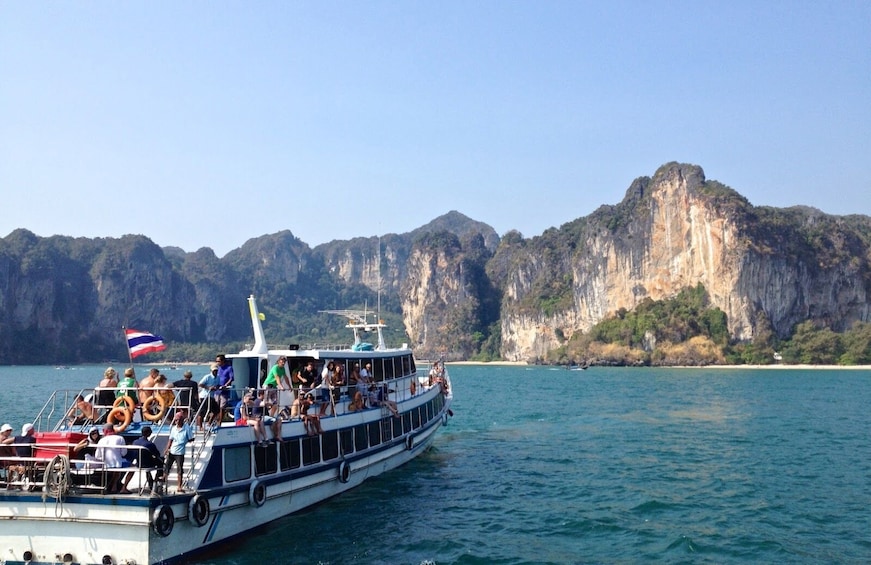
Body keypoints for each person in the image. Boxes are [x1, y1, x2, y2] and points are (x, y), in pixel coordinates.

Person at [122, 426, 163, 494]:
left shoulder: (135, 442)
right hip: (146, 464)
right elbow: (157, 454)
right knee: (161, 463)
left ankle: (124, 487)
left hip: (138, 463)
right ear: (148, 433)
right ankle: (155, 482)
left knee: (147, 462)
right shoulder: (150, 444)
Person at [163, 412, 194, 493]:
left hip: (180, 452)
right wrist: (167, 449)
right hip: (172, 451)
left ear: (182, 420)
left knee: (179, 469)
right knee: (167, 467)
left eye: (178, 420)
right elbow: (171, 439)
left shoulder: (187, 428)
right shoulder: (173, 428)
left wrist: (184, 441)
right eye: (175, 420)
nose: (176, 421)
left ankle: (179, 486)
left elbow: (191, 439)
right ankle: (163, 484)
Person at [95, 423, 128, 493]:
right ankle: (120, 487)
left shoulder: (101, 441)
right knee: (133, 467)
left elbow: (97, 456)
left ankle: (113, 486)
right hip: (118, 464)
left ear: (105, 431)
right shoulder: (120, 438)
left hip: (105, 464)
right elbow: (124, 453)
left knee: (115, 467)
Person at [198, 363, 222, 429]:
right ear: (211, 370)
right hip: (204, 396)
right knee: (202, 412)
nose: (215, 372)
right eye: (214, 371)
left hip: (211, 396)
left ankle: (209, 423)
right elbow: (200, 384)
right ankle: (200, 427)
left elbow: (218, 385)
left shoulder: (218, 377)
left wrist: (219, 387)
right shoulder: (207, 377)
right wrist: (208, 387)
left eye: (216, 371)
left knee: (216, 410)